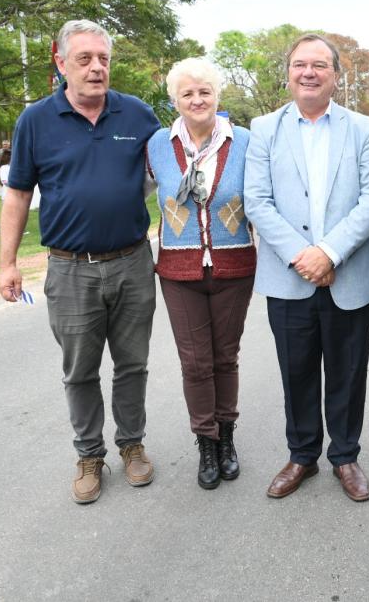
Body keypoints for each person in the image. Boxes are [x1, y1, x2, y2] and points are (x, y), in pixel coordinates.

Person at [0, 19, 162, 505]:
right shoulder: (36, 120)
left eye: (103, 59)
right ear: (61, 63)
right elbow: (18, 194)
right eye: (85, 59)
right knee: (80, 370)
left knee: (133, 365)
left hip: (133, 262)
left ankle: (132, 445)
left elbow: (177, 160)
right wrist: (6, 263)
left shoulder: (137, 114)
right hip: (69, 268)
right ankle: (89, 454)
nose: (96, 68)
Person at [244, 33, 369, 502]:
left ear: (336, 75)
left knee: (348, 371)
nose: (309, 72)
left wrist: (329, 252)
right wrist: (303, 257)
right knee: (297, 370)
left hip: (350, 274)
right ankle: (302, 455)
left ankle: (345, 456)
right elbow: (257, 202)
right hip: (288, 277)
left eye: (319, 65)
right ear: (288, 74)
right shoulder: (264, 129)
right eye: (300, 64)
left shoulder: (364, 130)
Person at [146, 57, 256, 490]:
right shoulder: (156, 144)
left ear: (217, 96)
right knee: (195, 362)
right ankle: (205, 440)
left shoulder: (245, 141)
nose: (196, 99)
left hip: (234, 263)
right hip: (178, 267)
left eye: (204, 91)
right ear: (175, 99)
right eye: (187, 93)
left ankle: (227, 436)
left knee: (224, 357)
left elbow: (263, 196)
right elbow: (135, 190)